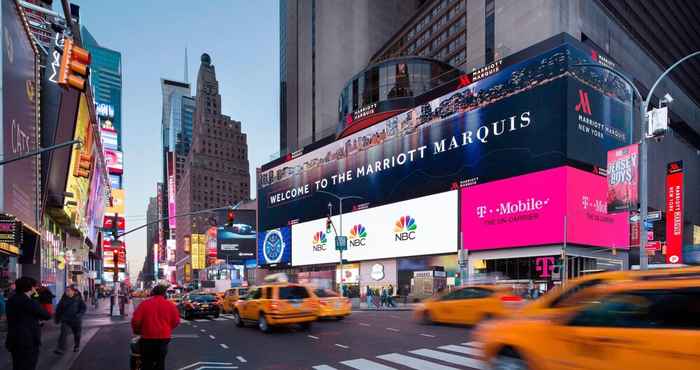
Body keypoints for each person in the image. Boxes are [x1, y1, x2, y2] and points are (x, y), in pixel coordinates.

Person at [5, 277, 51, 370]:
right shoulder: (29, 302)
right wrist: (36, 298)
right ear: (30, 288)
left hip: (14, 339)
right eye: (34, 287)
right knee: (28, 366)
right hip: (28, 341)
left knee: (17, 365)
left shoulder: (11, 300)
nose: (36, 289)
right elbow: (46, 315)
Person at [131, 284, 180, 370]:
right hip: (164, 338)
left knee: (147, 362)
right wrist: (167, 328)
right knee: (160, 361)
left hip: (147, 337)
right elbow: (176, 321)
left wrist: (137, 331)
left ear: (153, 293)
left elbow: (135, 321)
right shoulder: (170, 305)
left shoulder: (144, 304)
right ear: (164, 294)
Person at [54, 285, 86, 355]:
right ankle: (61, 349)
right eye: (66, 290)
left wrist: (79, 315)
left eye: (68, 290)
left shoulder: (78, 299)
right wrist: (57, 318)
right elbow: (59, 309)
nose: (66, 292)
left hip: (76, 320)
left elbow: (83, 308)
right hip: (65, 319)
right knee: (63, 334)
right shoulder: (63, 299)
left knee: (77, 334)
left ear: (73, 291)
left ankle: (76, 345)